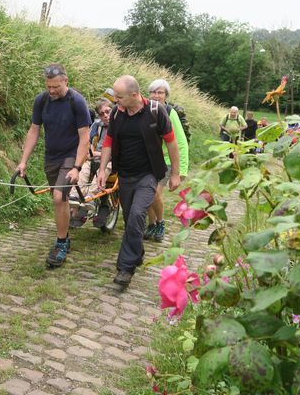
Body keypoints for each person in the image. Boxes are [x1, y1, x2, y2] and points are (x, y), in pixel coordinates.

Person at [97, 75, 180, 288]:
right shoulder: (117, 113)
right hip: (125, 175)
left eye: (120, 96)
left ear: (134, 95)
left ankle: (125, 268)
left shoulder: (155, 111)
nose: (116, 100)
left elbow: (171, 143)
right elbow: (109, 141)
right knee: (130, 218)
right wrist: (102, 170)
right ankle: (137, 252)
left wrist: (175, 174)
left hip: (149, 174)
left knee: (136, 216)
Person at [16, 63, 91, 267]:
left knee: (59, 197)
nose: (51, 91)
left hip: (71, 155)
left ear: (66, 81)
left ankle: (61, 243)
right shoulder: (41, 101)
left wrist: (77, 166)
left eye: (56, 87)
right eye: (48, 86)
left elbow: (85, 138)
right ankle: (64, 236)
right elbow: (34, 130)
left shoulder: (77, 101)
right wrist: (23, 161)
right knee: (60, 200)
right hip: (52, 157)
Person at [145, 79, 189, 242]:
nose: (156, 96)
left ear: (166, 95)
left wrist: (180, 171)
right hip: (147, 160)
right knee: (146, 194)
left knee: (154, 193)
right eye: (153, 92)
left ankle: (160, 222)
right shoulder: (145, 110)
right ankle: (152, 223)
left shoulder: (170, 113)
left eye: (160, 92)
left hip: (166, 162)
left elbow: (181, 143)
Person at [69, 99, 113, 227]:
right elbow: (88, 140)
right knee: (82, 168)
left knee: (102, 171)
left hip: (111, 159)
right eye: (102, 114)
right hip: (95, 157)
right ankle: (75, 195)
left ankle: (90, 197)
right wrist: (91, 152)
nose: (105, 115)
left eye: (107, 112)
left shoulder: (119, 126)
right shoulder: (97, 125)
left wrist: (98, 154)